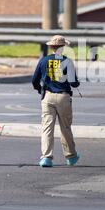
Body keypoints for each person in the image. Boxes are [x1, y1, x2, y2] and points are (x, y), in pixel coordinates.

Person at [32, 35, 80, 168]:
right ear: (63, 47)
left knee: (47, 128)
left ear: (51, 47)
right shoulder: (67, 61)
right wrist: (76, 83)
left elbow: (34, 80)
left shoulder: (43, 61)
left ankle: (46, 157)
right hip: (63, 97)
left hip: (48, 97)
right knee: (65, 128)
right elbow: (73, 83)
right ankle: (71, 156)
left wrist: (40, 90)